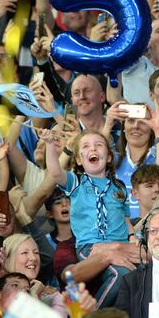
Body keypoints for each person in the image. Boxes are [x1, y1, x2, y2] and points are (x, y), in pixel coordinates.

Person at [45, 129, 132, 307]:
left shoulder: (119, 186)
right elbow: (54, 172)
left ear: (108, 157)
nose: (93, 149)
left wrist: (134, 238)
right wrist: (48, 145)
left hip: (121, 246)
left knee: (135, 277)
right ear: (78, 159)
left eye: (99, 145)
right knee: (121, 274)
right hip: (90, 247)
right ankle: (93, 317)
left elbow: (126, 219)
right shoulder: (76, 181)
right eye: (86, 146)